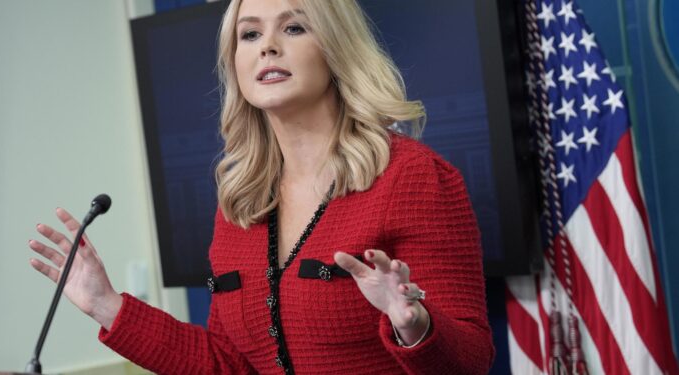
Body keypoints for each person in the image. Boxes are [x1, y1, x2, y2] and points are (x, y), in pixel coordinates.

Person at [28, 0, 494, 373]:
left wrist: (414, 326)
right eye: (249, 34)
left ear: (336, 49)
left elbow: (472, 361)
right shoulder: (241, 200)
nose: (267, 46)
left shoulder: (414, 177)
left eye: (294, 28)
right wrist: (106, 305)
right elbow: (227, 364)